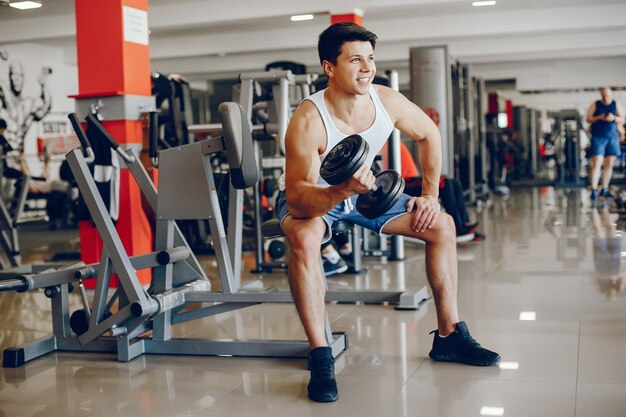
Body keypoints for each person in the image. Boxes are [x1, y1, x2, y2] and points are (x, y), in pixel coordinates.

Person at [276, 22, 500, 403]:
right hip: (316, 198)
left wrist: (430, 195)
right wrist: (342, 190)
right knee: (303, 235)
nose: (367, 68)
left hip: (366, 194)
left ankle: (449, 336)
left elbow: (430, 133)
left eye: (371, 59)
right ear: (329, 67)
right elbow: (298, 200)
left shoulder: (385, 101)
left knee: (442, 225)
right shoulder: (308, 120)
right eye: (355, 60)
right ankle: (321, 353)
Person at [586, 87, 625, 201]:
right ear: (601, 94)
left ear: (610, 95)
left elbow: (622, 119)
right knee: (597, 162)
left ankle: (604, 188)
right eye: (603, 95)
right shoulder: (595, 104)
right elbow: (588, 118)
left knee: (609, 163)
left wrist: (614, 118)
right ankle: (593, 189)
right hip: (598, 136)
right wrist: (600, 117)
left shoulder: (615, 104)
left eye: (607, 95)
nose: (605, 97)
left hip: (612, 137)